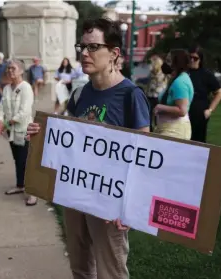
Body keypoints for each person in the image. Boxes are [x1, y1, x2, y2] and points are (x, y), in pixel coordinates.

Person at [27, 18, 150, 279]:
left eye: (93, 47)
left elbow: (144, 156)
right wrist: (42, 137)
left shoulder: (130, 96)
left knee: (111, 271)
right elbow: (69, 140)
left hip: (109, 202)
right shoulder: (80, 94)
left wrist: (130, 205)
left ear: (114, 53)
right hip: (74, 194)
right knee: (80, 267)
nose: (84, 53)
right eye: (81, 47)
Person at [0, 59, 37, 206]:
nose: (10, 71)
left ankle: (32, 193)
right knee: (17, 160)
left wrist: (7, 123)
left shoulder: (26, 88)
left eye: (13, 68)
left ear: (21, 71)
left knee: (26, 161)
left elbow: (24, 112)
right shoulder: (7, 88)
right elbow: (1, 106)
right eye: (8, 68)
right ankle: (20, 185)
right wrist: (0, 121)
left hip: (24, 130)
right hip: (11, 132)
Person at [153, 49, 194, 140]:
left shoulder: (180, 82)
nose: (165, 64)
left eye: (168, 61)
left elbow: (182, 110)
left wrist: (160, 107)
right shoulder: (177, 79)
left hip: (175, 130)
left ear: (177, 63)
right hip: (168, 128)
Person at [188, 45, 221, 143]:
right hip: (184, 111)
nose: (191, 60)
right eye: (190, 57)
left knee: (197, 141)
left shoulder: (206, 74)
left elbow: (219, 92)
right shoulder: (184, 72)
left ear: (200, 60)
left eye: (195, 58)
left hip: (199, 113)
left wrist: (210, 110)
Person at [146, 55, 168, 131]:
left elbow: (159, 87)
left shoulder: (161, 75)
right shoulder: (152, 74)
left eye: (151, 63)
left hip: (157, 97)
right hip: (150, 96)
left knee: (157, 117)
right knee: (148, 116)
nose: (149, 65)